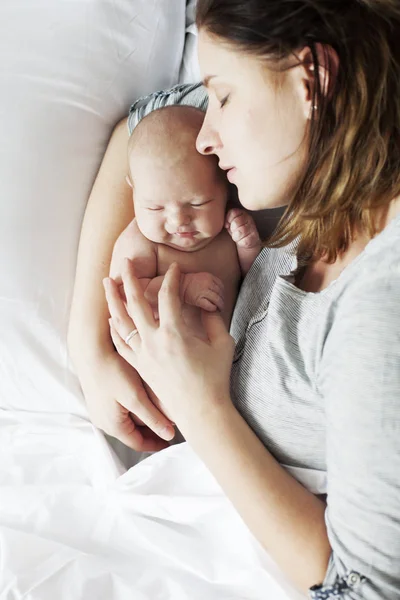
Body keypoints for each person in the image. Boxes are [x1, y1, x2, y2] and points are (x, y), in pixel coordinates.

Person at [70, 0, 400, 598]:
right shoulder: (331, 158)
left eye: (222, 96)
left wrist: (203, 408)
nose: (205, 137)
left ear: (314, 81)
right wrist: (87, 347)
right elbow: (147, 128)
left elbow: (363, 588)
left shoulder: (379, 312)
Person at [110, 102, 261, 417]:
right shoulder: (141, 241)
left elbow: (254, 281)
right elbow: (125, 297)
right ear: (133, 191)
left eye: (197, 203)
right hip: (166, 383)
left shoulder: (225, 233)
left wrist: (248, 247)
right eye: (155, 208)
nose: (178, 221)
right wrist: (183, 288)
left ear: (226, 189)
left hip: (232, 376)